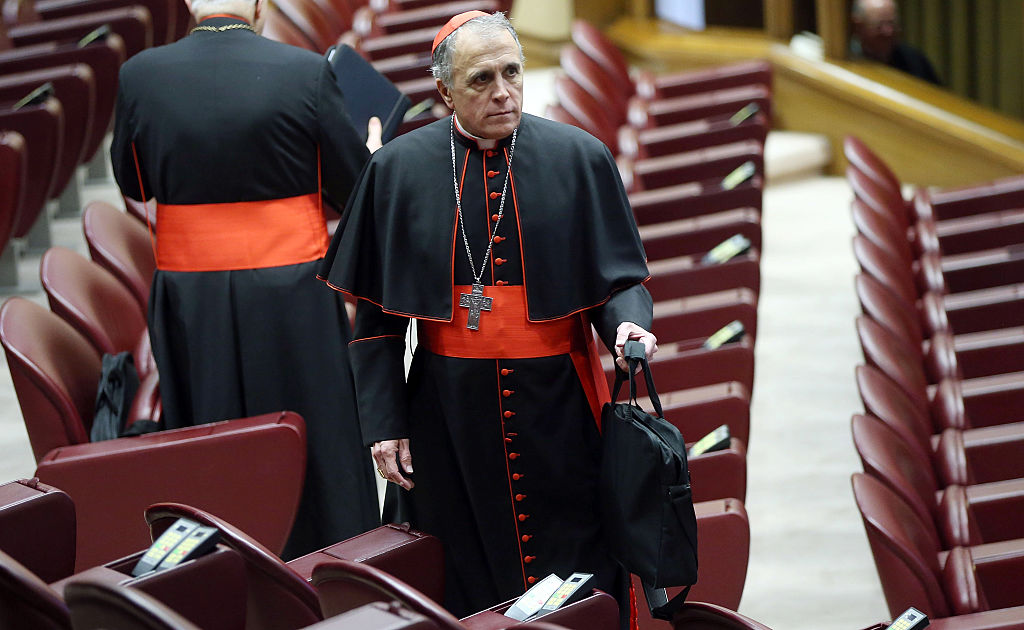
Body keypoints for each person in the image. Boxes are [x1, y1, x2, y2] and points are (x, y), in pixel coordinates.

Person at [319, 10, 657, 628]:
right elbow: (377, 321)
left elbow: (619, 280)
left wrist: (626, 326)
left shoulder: (579, 157)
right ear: (445, 91)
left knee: (578, 560)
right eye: (481, 79)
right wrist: (385, 424)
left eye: (512, 73)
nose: (503, 92)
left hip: (561, 405)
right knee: (461, 573)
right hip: (447, 411)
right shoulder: (398, 170)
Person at [110, 0, 382, 559]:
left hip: (191, 293)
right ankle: (329, 560)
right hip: (292, 289)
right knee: (314, 433)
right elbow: (353, 186)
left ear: (190, 2)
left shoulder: (139, 75)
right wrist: (372, 155)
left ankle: (217, 562)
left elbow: (134, 184)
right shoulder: (306, 70)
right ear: (259, 4)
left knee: (211, 442)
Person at [850, 0, 941, 85]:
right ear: (858, 26)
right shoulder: (847, 61)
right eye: (880, 25)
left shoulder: (913, 61)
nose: (888, 31)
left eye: (892, 24)